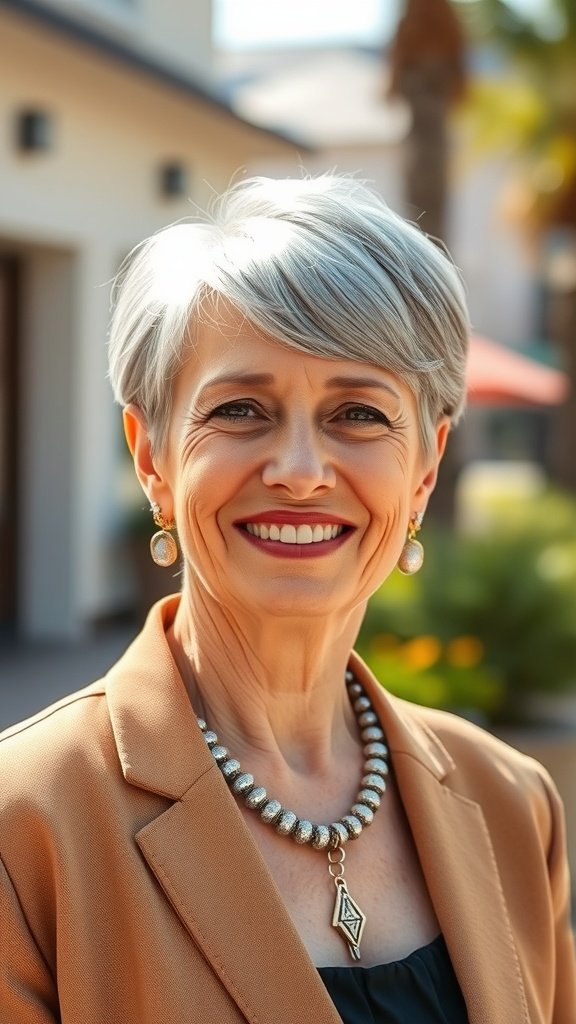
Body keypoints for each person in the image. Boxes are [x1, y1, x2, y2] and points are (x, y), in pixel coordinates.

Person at [1, 174, 574, 1024]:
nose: (300, 471)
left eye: (359, 414)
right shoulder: (26, 827)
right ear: (152, 455)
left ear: (424, 470)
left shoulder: (514, 804)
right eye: (240, 409)